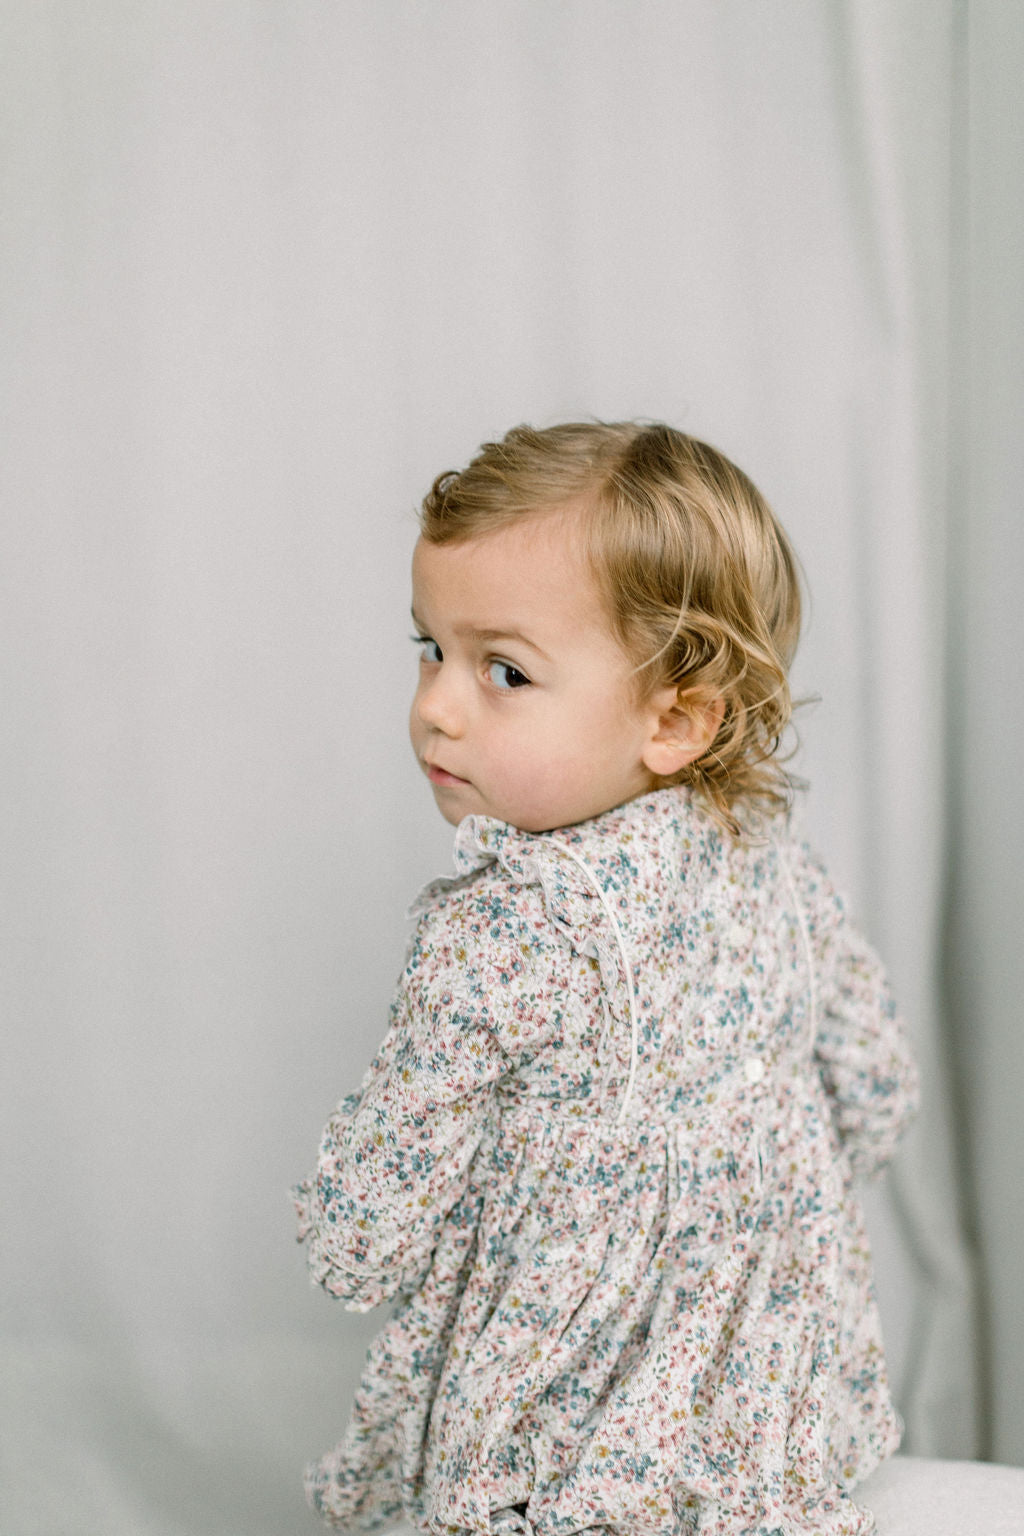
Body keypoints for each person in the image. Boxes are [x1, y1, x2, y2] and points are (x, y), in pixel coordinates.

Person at [292, 421, 919, 1536]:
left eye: (504, 670)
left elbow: (381, 1194)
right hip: (759, 1368)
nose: (437, 703)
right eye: (428, 647)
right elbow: (873, 1078)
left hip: (565, 1388)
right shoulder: (766, 856)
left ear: (674, 719)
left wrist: (353, 1242)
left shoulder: (505, 928)